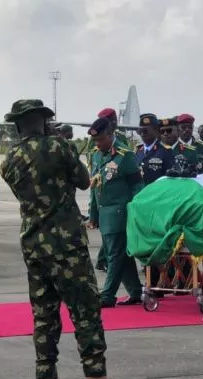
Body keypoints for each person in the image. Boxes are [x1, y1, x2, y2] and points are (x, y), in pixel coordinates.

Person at [0, 99, 139, 379]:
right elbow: (84, 180)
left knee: (44, 318)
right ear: (41, 120)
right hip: (65, 245)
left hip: (33, 244)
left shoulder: (8, 159)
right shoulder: (59, 148)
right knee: (86, 313)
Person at [88, 117, 145, 308]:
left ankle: (108, 295)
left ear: (111, 135)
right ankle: (136, 292)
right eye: (95, 141)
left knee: (114, 255)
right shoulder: (95, 155)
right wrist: (93, 214)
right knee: (122, 255)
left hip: (120, 212)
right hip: (104, 214)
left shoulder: (125, 155)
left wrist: (134, 210)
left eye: (101, 139)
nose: (98, 143)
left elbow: (137, 184)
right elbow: (94, 187)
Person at [134, 113, 173, 185]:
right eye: (140, 131)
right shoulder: (137, 151)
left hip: (157, 194)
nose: (142, 134)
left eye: (145, 131)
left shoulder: (165, 151)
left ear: (156, 131)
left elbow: (169, 179)